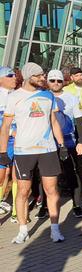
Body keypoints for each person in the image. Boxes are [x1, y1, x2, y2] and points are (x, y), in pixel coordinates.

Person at [0, 62, 68, 243]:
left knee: (52, 189)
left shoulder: (48, 96)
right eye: (39, 76)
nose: (43, 78)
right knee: (23, 191)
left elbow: (54, 121)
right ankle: (23, 230)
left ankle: (55, 229)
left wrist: (61, 145)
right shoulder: (14, 97)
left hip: (47, 150)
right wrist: (3, 151)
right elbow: (6, 126)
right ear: (29, 77)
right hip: (24, 151)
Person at [47, 69, 82, 218]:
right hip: (47, 144)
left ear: (63, 82)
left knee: (72, 174)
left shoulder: (72, 98)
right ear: (48, 81)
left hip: (69, 142)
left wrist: (81, 142)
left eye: (59, 80)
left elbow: (80, 121)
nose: (56, 83)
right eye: (52, 80)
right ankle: (44, 206)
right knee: (46, 175)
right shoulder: (42, 97)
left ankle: (76, 205)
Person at [0, 67, 16, 216]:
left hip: (18, 141)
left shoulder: (17, 94)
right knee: (1, 174)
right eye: (10, 75)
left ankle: (17, 211)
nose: (14, 77)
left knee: (15, 174)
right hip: (3, 140)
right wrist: (11, 131)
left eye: (15, 75)